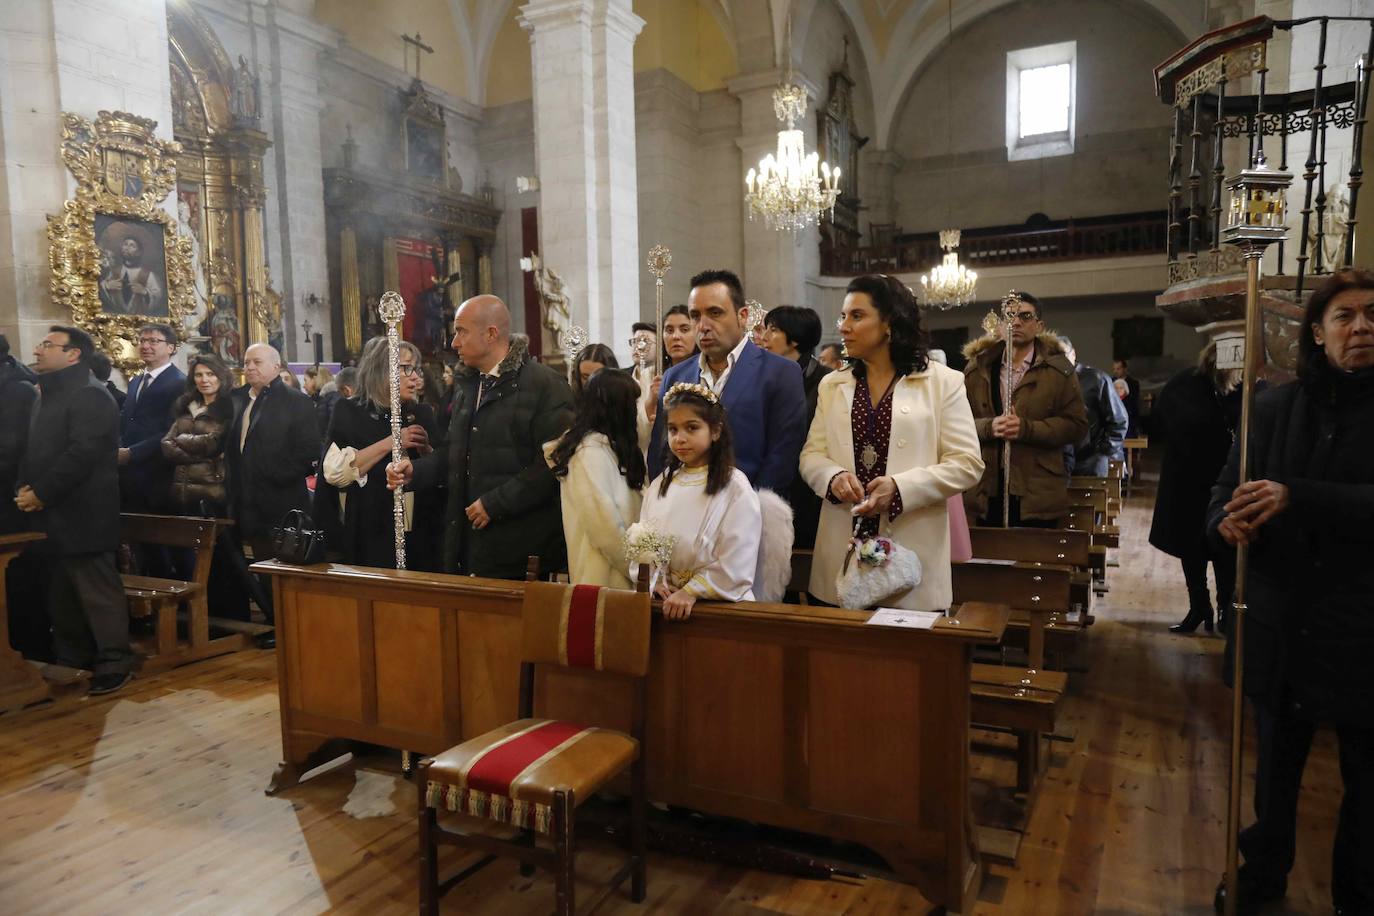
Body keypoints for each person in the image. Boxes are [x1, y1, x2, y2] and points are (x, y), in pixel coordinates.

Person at [1207, 268, 1374, 916]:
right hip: (1283, 621)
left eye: (1372, 315)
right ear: (1317, 330)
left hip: (1361, 622)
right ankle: (1262, 875)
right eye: (1346, 316)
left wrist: (1296, 497)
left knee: (1365, 782)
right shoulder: (1274, 406)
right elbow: (1224, 490)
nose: (1361, 327)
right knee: (1273, 768)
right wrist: (1224, 521)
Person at [800, 275, 984, 611]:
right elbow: (812, 454)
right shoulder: (833, 385)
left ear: (889, 323)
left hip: (912, 557)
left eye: (857, 316)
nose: (843, 327)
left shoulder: (943, 383)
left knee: (906, 661)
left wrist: (900, 488)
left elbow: (967, 464)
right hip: (841, 547)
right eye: (843, 316)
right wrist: (833, 477)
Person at [387, 295, 574, 580]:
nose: (454, 343)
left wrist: (496, 503)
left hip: (522, 547)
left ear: (491, 334)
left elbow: (554, 461)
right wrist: (416, 471)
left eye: (461, 331)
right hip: (470, 544)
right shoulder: (469, 386)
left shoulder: (545, 385)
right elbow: (454, 451)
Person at [16, 326, 133, 694]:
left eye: (48, 345)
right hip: (51, 513)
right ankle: (72, 658)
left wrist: (43, 492)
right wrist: (24, 488)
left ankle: (115, 661)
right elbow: (34, 449)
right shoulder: (45, 394)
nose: (38, 350)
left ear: (74, 354)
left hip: (85, 513)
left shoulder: (90, 395)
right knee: (61, 592)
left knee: (97, 591)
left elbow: (81, 455)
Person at [647, 269, 807, 494]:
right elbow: (660, 451)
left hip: (751, 512)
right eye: (695, 315)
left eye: (715, 313)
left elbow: (782, 456)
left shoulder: (780, 373)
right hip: (684, 511)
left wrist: (740, 510)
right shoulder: (675, 376)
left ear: (742, 316)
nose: (703, 325)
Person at [962, 291, 1088, 528]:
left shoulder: (1058, 371)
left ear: (1039, 326)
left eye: (1025, 316)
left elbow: (1077, 426)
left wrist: (1026, 429)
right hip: (985, 489)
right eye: (1008, 316)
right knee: (986, 563)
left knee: (1034, 560)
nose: (1016, 322)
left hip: (1037, 490)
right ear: (999, 326)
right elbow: (956, 424)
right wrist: (989, 427)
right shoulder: (976, 369)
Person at [639, 383, 761, 620]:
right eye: (673, 429)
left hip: (720, 609)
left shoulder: (734, 486)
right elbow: (644, 540)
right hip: (664, 603)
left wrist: (692, 590)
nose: (680, 439)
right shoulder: (662, 483)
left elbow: (737, 557)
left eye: (692, 428)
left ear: (715, 431)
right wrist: (655, 580)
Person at [320, 336, 442, 571]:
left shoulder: (422, 413)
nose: (416, 377)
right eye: (406, 368)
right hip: (370, 525)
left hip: (421, 528)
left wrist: (426, 449)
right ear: (380, 370)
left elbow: (440, 467)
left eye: (416, 368)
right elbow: (336, 472)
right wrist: (393, 441)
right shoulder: (349, 411)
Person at [1150, 342, 1243, 635]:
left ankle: (1227, 609)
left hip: (1228, 483)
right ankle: (1199, 606)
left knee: (1227, 549)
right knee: (1191, 549)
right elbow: (1165, 423)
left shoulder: (1251, 387)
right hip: (1188, 482)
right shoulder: (1186, 384)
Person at [226, 343, 320, 628]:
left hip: (282, 499)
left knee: (287, 565)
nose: (249, 367)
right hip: (247, 499)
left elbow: (309, 451)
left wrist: (274, 474)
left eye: (256, 362)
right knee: (263, 564)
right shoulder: (237, 399)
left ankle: (295, 624)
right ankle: (275, 623)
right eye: (246, 362)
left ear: (275, 367)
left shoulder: (296, 402)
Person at [161, 352, 250, 622]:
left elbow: (216, 444)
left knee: (225, 562)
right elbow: (166, 446)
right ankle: (204, 619)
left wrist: (183, 441)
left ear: (221, 376)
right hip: (184, 493)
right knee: (195, 564)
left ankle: (232, 618)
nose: (204, 380)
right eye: (199, 375)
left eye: (210, 374)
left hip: (214, 492)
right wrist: (197, 447)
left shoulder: (229, 406)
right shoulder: (186, 404)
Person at [546, 369, 646, 588]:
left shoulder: (612, 447)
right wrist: (641, 574)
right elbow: (605, 529)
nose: (636, 411)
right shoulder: (588, 453)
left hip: (622, 578)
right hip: (603, 580)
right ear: (618, 407)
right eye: (633, 403)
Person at [762, 305, 832, 548]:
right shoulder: (764, 376)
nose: (764, 337)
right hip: (770, 479)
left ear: (794, 338)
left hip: (807, 488)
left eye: (773, 330)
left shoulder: (826, 380)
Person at [118, 323, 185, 515]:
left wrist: (133, 452)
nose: (146, 346)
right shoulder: (136, 381)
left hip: (159, 470)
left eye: (154, 341)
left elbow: (173, 429)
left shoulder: (179, 382)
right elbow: (126, 420)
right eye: (142, 341)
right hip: (130, 472)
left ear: (170, 348)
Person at [1058, 336, 1128, 477]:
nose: (1059, 360)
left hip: (1090, 460)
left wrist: (1103, 450)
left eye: (1063, 354)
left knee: (1091, 498)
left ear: (1073, 354)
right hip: (1060, 460)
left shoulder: (1096, 379)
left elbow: (1119, 420)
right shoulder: (1049, 381)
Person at [1113, 358, 1141, 438]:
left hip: (1130, 418)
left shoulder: (1133, 383)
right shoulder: (1110, 382)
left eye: (1118, 369)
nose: (1115, 371)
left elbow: (1134, 402)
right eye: (1114, 369)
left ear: (1124, 369)